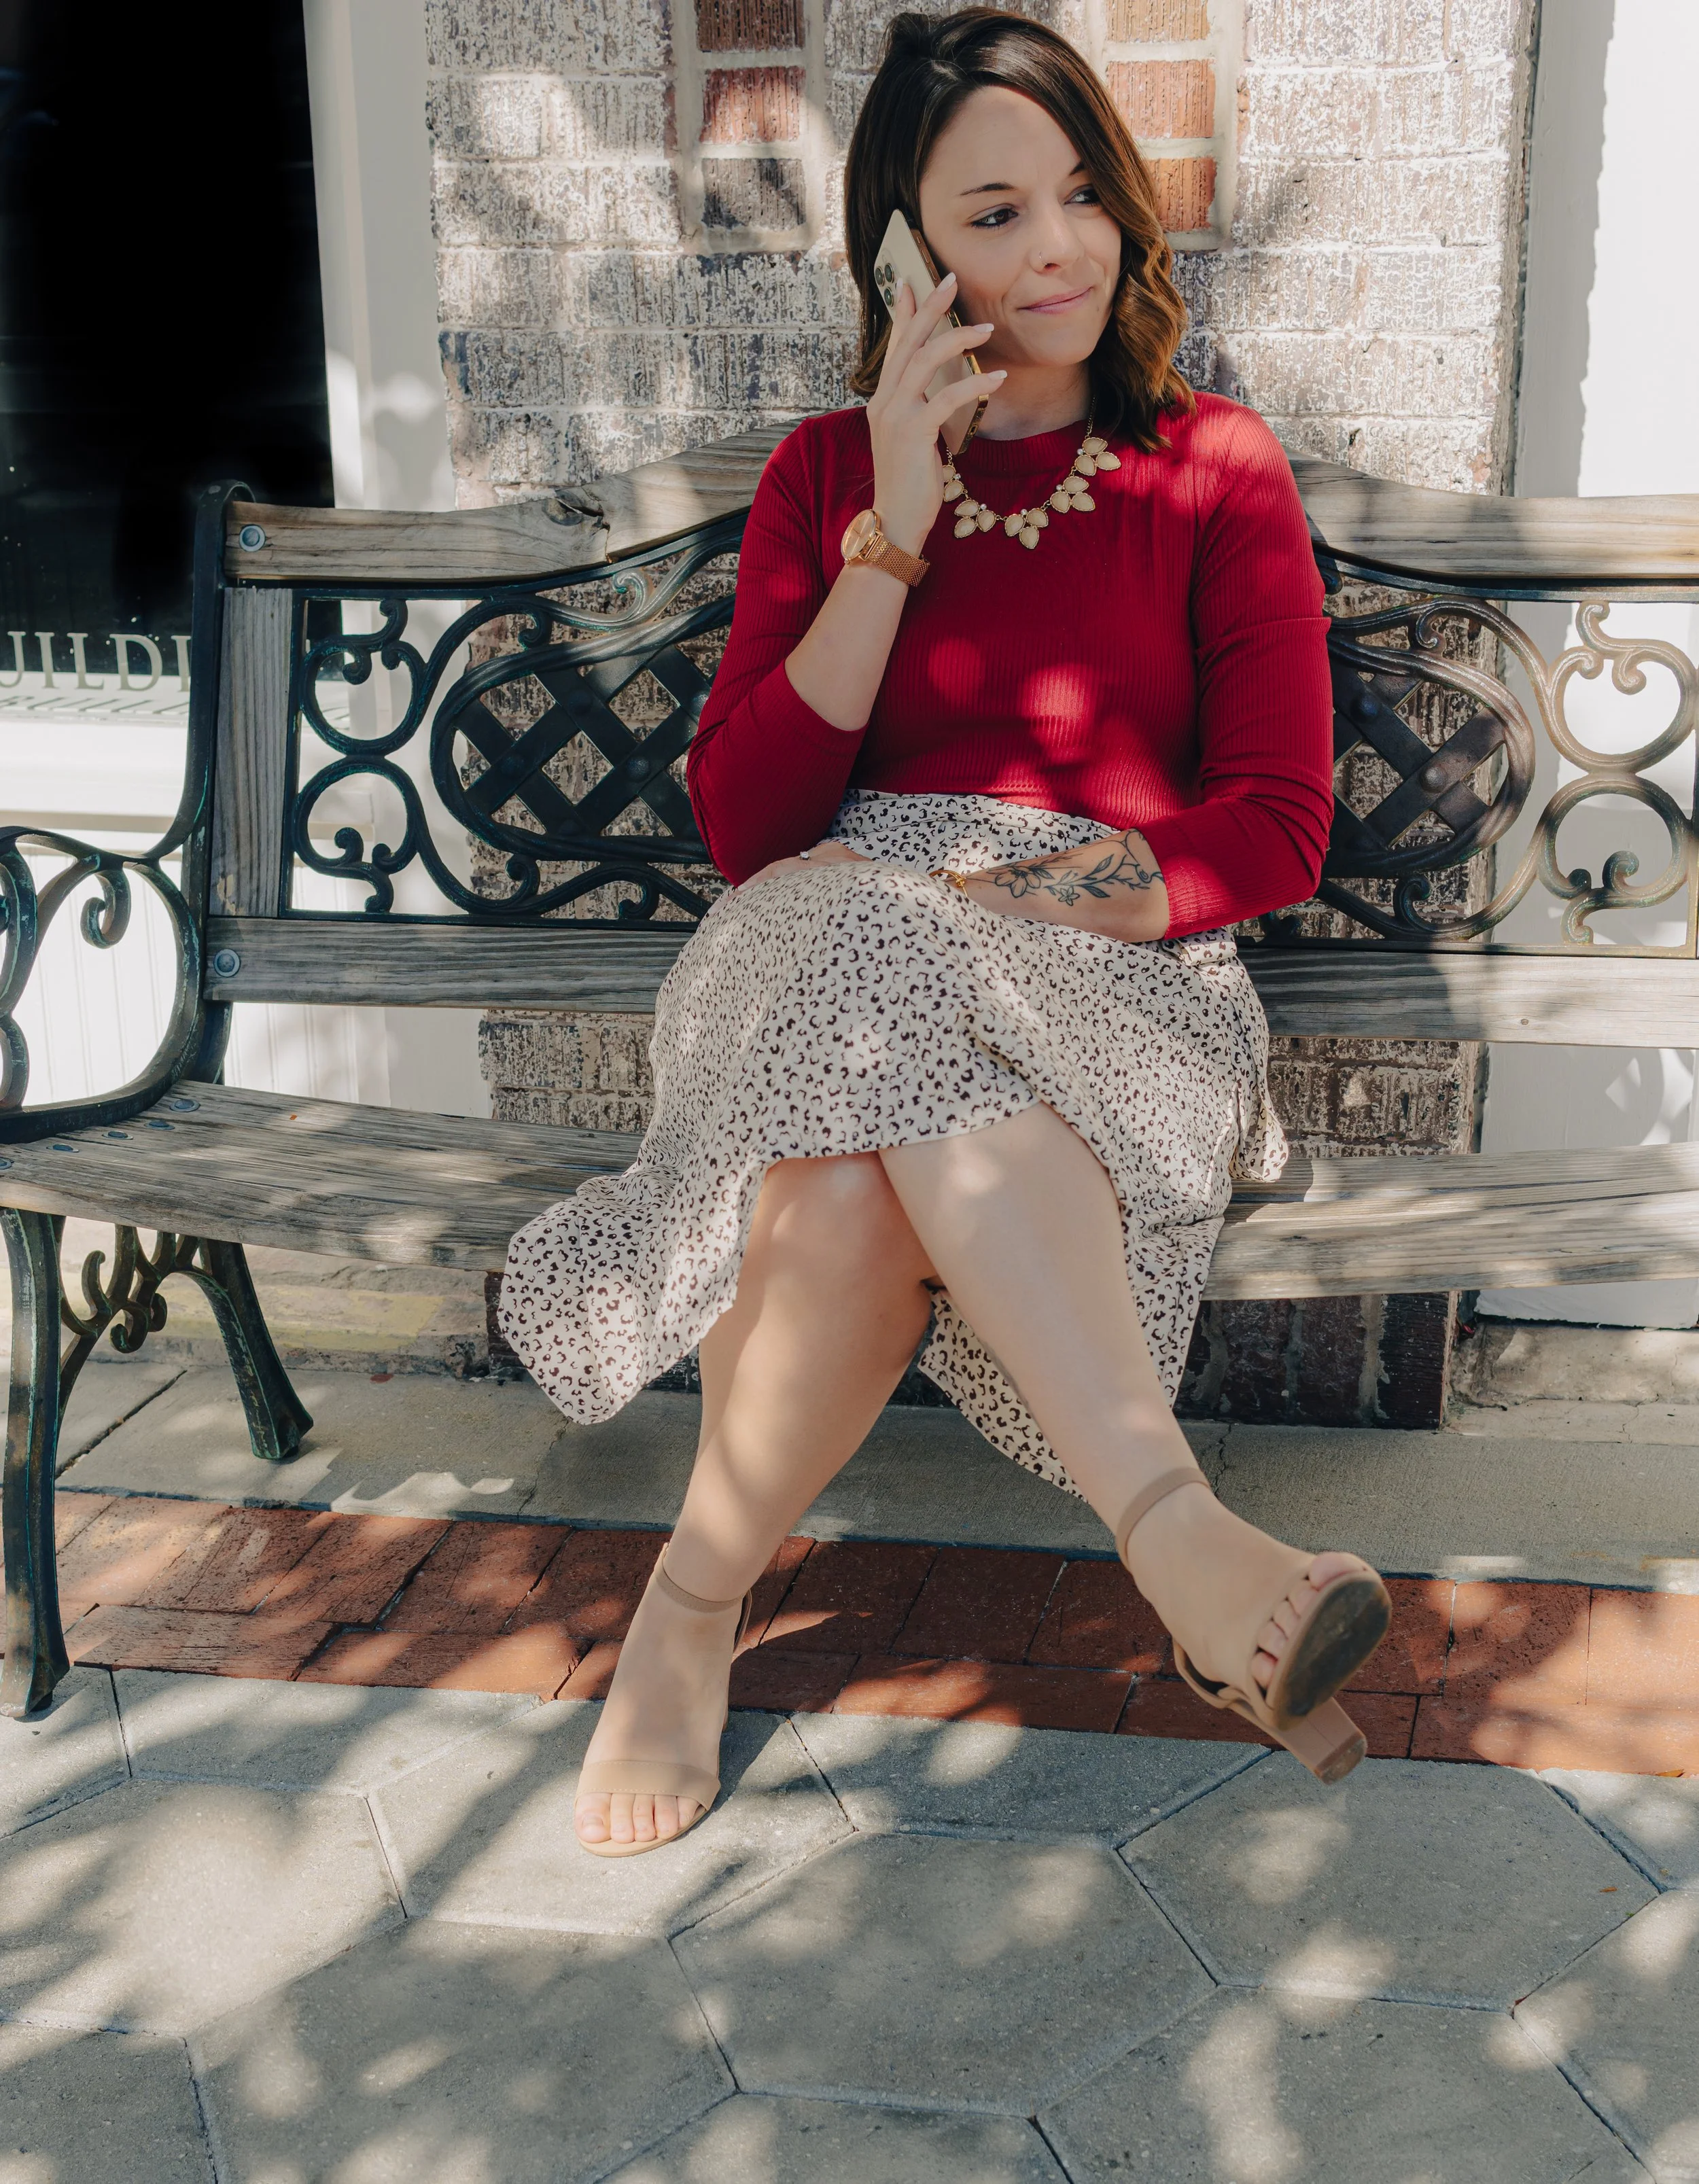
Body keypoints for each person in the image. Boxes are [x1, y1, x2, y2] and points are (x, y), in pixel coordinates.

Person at [502, 5, 1391, 1859]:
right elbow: (752, 827)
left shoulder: (1211, 464)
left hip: (1108, 964)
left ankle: (683, 1606)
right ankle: (1177, 1537)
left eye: (1083, 194)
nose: (1054, 247)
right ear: (900, 251)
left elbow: (1274, 825)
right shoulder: (828, 480)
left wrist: (1030, 895)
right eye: (993, 213)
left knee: (836, 1196)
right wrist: (893, 532)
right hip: (816, 949)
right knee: (864, 941)